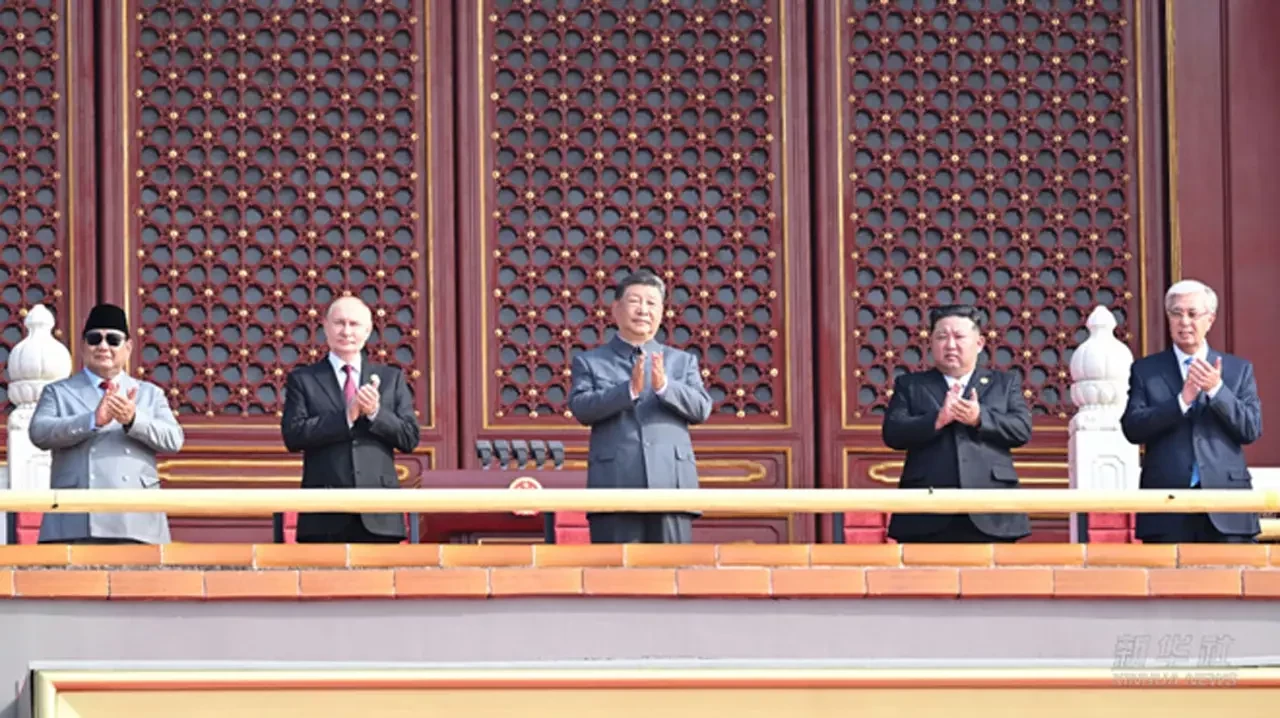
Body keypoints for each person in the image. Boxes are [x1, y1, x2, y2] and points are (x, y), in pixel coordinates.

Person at [569, 270, 714, 544]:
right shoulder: (590, 362)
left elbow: (701, 409)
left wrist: (664, 387)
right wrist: (628, 391)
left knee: (672, 567)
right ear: (616, 308)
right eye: (635, 301)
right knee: (616, 568)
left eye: (651, 303)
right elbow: (581, 408)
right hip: (614, 483)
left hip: (672, 485)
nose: (643, 310)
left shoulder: (682, 361)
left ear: (661, 312)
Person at [28, 303, 184, 544]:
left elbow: (174, 440)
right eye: (94, 339)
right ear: (83, 346)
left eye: (113, 340)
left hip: (136, 520)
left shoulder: (149, 394)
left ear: (128, 347)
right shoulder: (58, 392)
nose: (103, 346)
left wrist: (133, 419)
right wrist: (92, 420)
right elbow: (39, 432)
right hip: (75, 518)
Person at [1120, 279, 1262, 543]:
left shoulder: (1238, 370)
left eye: (1193, 313)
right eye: (1176, 313)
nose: (1184, 322)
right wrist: (1181, 402)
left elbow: (1251, 429)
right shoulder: (1146, 370)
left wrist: (1217, 390)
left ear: (1210, 319)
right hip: (1166, 505)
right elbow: (1133, 428)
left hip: (1227, 502)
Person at [881, 304, 1033, 543]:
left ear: (979, 343)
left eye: (959, 337)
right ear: (931, 342)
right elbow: (893, 433)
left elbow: (1021, 429)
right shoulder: (910, 385)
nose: (950, 345)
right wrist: (936, 420)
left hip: (991, 508)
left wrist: (980, 418)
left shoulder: (1004, 383)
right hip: (926, 510)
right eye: (942, 337)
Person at [280, 296, 419, 543]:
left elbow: (409, 437)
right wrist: (347, 416)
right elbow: (293, 435)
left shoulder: (391, 378)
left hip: (379, 512)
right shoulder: (303, 379)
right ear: (325, 327)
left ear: (368, 331)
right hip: (324, 511)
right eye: (339, 323)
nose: (346, 331)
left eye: (354, 324)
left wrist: (376, 412)